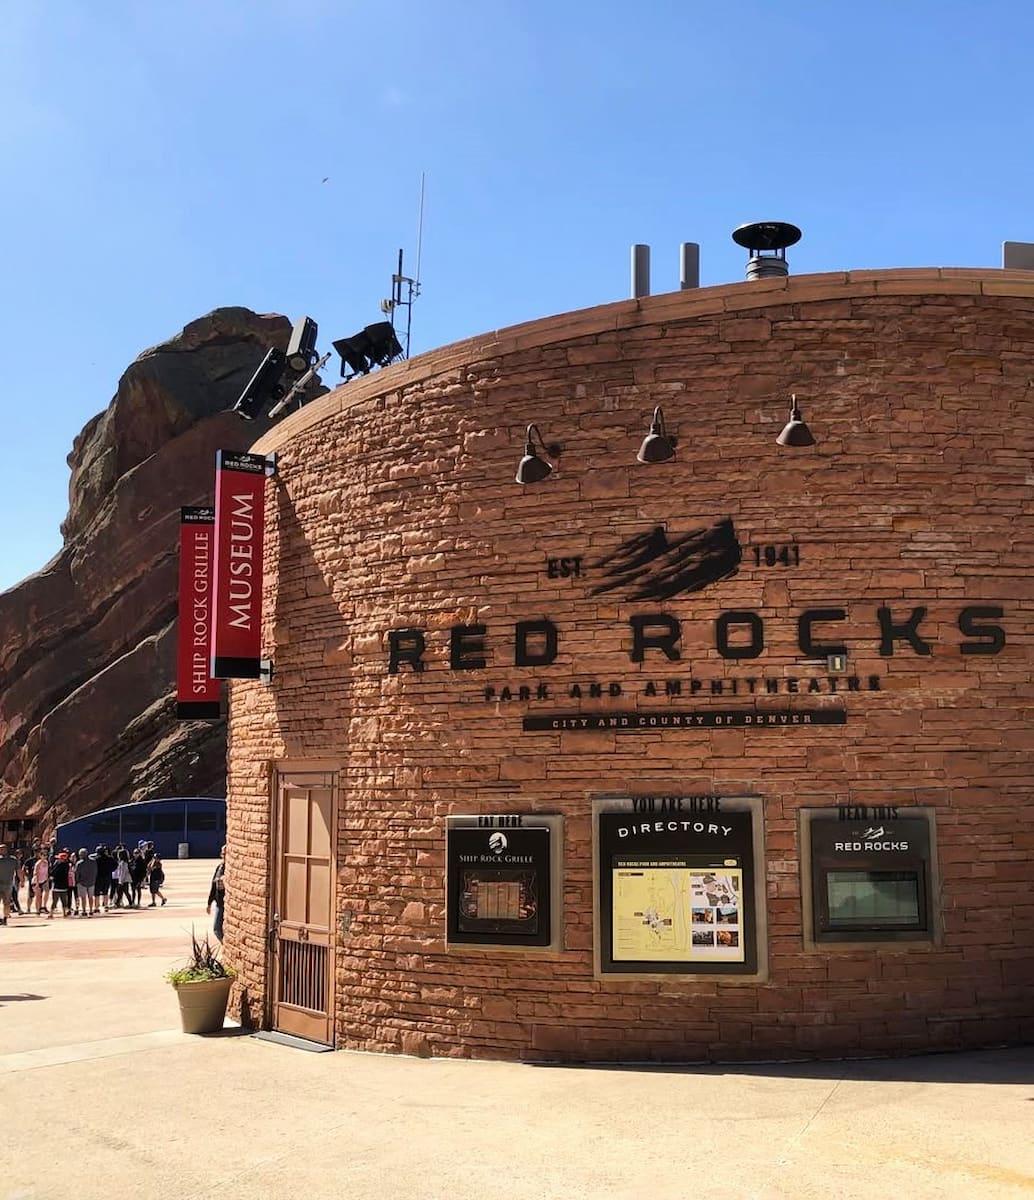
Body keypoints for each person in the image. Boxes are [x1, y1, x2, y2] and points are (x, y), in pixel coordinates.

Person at [207, 845, 226, 940]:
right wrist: (209, 903)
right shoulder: (219, 868)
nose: (224, 856)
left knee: (218, 928)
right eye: (223, 854)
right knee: (217, 929)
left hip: (226, 903)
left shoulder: (229, 868)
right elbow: (213, 886)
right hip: (219, 902)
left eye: (225, 854)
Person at [75, 848, 97, 916]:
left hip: (82, 882)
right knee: (91, 897)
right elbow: (95, 871)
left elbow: (77, 873)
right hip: (91, 881)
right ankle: (90, 910)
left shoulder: (79, 863)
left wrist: (77, 881)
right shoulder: (93, 861)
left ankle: (84, 910)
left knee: (83, 897)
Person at [0, 843, 17, 925]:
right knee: (6, 902)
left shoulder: (13, 860)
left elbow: (18, 870)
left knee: (6, 902)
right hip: (8, 884)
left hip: (6, 884)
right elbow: (19, 870)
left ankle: (4, 918)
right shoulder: (13, 860)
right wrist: (22, 880)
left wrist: (21, 879)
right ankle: (5, 918)